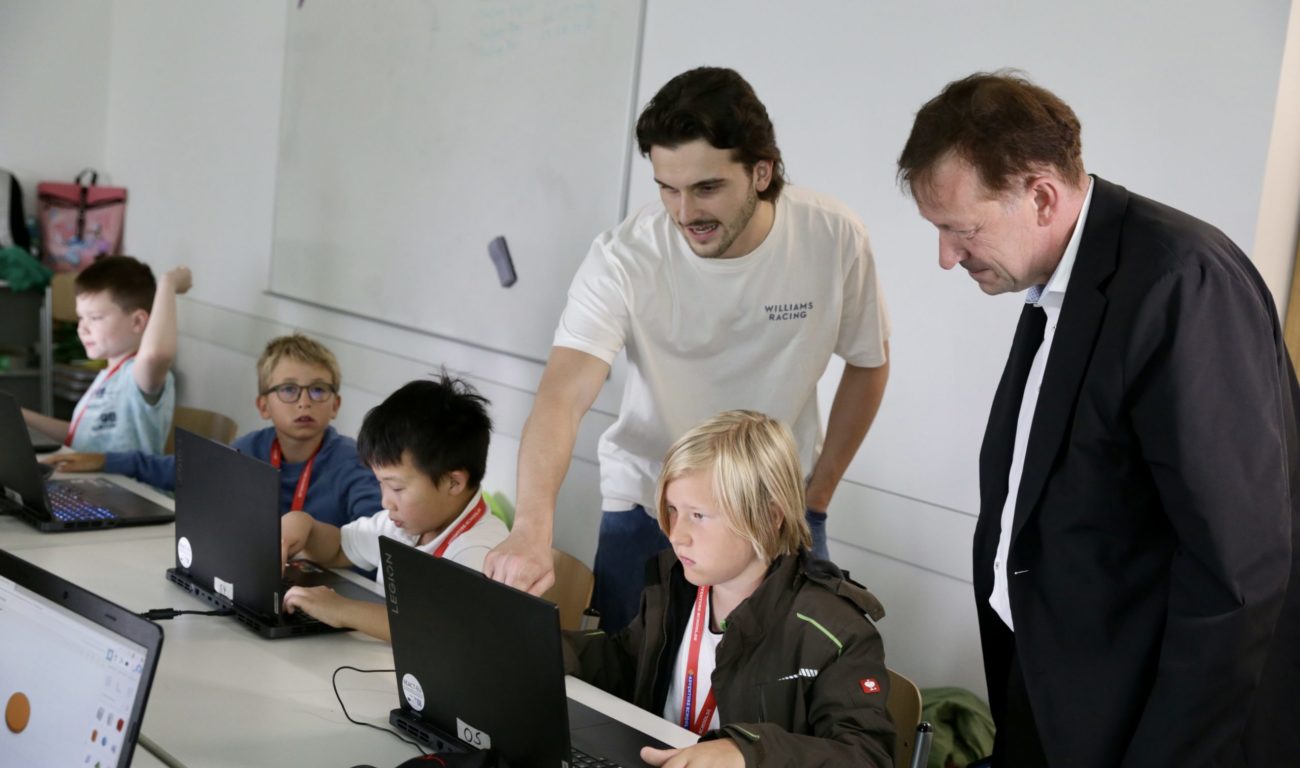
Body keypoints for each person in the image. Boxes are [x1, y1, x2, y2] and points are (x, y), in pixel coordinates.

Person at [897, 70, 1300, 765]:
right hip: (1055, 694)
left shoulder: (1180, 281)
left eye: (960, 230)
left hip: (1143, 725)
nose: (945, 257)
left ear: (1042, 196)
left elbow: (1240, 572)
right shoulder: (1057, 279)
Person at [487, 66, 891, 632]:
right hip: (652, 505)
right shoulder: (624, 258)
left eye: (706, 188)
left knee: (771, 705)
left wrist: (818, 492)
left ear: (761, 171)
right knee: (629, 692)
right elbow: (562, 394)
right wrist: (532, 525)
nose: (685, 213)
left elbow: (868, 363)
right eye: (667, 189)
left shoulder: (832, 236)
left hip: (774, 509)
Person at [565, 410, 894, 767]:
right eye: (673, 509)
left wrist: (747, 751)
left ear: (769, 517)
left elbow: (867, 756)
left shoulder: (834, 631)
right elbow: (628, 663)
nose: (676, 534)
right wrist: (548, 647)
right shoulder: (678, 582)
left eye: (699, 516)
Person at [47, 334, 380, 527]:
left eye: (319, 390)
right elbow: (174, 469)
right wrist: (104, 460)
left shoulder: (353, 463)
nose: (304, 402)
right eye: (289, 390)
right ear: (263, 405)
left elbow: (372, 539)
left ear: (336, 404)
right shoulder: (250, 449)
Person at [279, 375, 508, 641]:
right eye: (381, 485)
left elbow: (438, 629)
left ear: (453, 482)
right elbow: (340, 548)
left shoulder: (481, 551)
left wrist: (342, 610)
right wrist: (302, 525)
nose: (385, 501)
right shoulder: (409, 523)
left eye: (396, 488)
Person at [23, 255, 190, 454]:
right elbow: (80, 438)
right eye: (81, 318)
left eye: (95, 318)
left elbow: (156, 354)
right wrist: (19, 415)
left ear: (137, 322)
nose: (82, 329)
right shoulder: (108, 376)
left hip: (128, 484)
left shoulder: (139, 374)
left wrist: (168, 283)